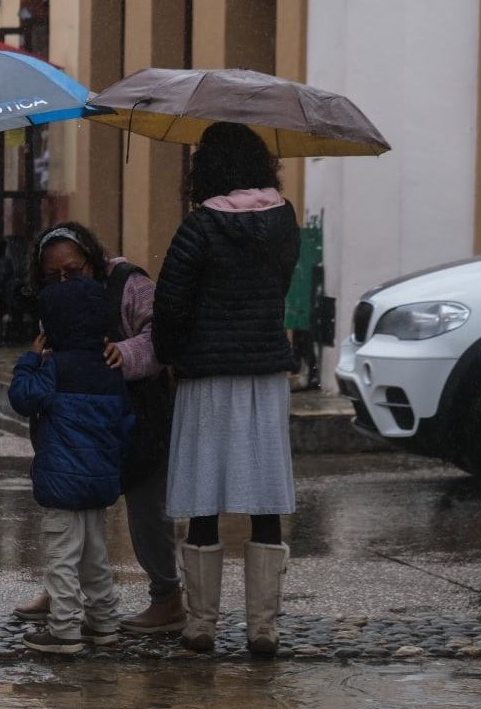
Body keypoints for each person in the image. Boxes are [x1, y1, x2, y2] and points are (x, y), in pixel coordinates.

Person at [151, 121, 301, 656]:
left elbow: (169, 302)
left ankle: (201, 625)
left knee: (204, 502)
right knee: (264, 502)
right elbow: (279, 284)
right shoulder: (284, 220)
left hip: (207, 375)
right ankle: (263, 627)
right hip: (263, 374)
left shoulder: (199, 226)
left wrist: (169, 354)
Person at [12, 221, 185, 635]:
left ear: (93, 259)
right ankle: (63, 592)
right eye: (53, 276)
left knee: (146, 509)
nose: (64, 280)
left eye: (72, 270)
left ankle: (167, 598)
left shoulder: (130, 283)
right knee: (78, 516)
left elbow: (163, 333)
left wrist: (123, 354)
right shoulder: (56, 298)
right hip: (82, 421)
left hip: (140, 412)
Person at [8, 275, 134, 654]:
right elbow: (126, 423)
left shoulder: (55, 367)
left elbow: (22, 397)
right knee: (95, 557)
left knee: (62, 557)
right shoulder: (110, 368)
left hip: (62, 485)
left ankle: (63, 630)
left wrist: (29, 360)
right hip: (99, 482)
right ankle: (105, 624)